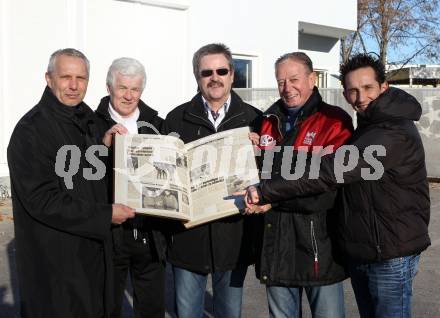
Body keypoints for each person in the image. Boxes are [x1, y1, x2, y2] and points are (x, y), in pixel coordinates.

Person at [242, 53, 431, 318]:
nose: (360, 97)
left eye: (367, 88)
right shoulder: (367, 124)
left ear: (384, 87)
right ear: (344, 93)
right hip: (365, 249)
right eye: (353, 90)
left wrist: (267, 192)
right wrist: (253, 154)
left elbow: (330, 173)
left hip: (390, 253)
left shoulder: (392, 130)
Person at [7, 48, 135, 318]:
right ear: (48, 78)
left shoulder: (89, 121)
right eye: (66, 77)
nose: (74, 86)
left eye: (81, 78)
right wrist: (106, 214)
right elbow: (43, 199)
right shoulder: (31, 130)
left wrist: (105, 147)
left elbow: (88, 178)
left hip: (93, 258)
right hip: (57, 265)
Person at [248, 52, 353, 318]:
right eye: (281, 81)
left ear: (312, 78)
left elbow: (328, 188)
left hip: (319, 246)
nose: (287, 88)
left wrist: (272, 197)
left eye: (294, 79)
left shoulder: (335, 121)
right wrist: (248, 153)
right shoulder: (266, 121)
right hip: (275, 245)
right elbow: (259, 176)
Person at [162, 43, 261, 318]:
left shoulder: (254, 118)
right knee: (188, 314)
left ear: (232, 75)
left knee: (230, 313)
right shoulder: (175, 118)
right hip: (187, 240)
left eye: (221, 70)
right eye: (207, 72)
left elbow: (268, 176)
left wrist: (260, 155)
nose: (214, 77)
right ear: (197, 77)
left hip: (234, 239)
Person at [95, 57, 167, 318]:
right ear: (109, 88)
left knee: (151, 309)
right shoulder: (90, 125)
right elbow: (80, 176)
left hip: (149, 232)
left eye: (134, 89)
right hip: (109, 232)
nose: (128, 95)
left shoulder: (157, 124)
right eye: (122, 88)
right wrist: (101, 149)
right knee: (107, 306)